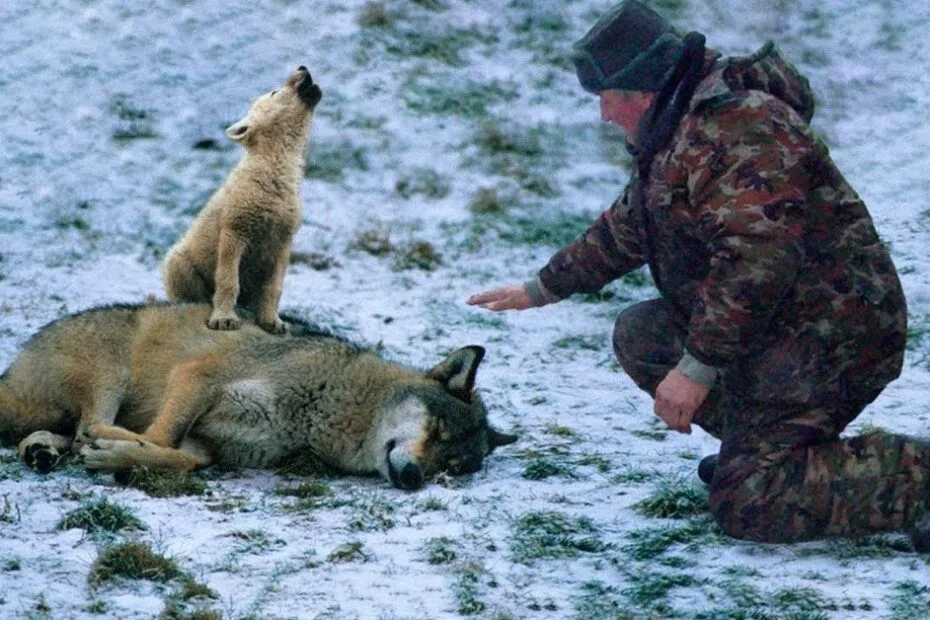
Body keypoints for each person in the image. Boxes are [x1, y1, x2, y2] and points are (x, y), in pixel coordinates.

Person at [467, 0, 930, 548]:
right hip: (779, 329)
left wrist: (699, 366)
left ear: (641, 90)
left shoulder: (743, 129)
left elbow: (755, 262)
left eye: (608, 99)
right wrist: (540, 289)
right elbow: (629, 226)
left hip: (831, 337)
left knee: (750, 506)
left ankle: (904, 480)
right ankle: (763, 455)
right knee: (642, 334)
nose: (604, 115)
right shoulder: (678, 128)